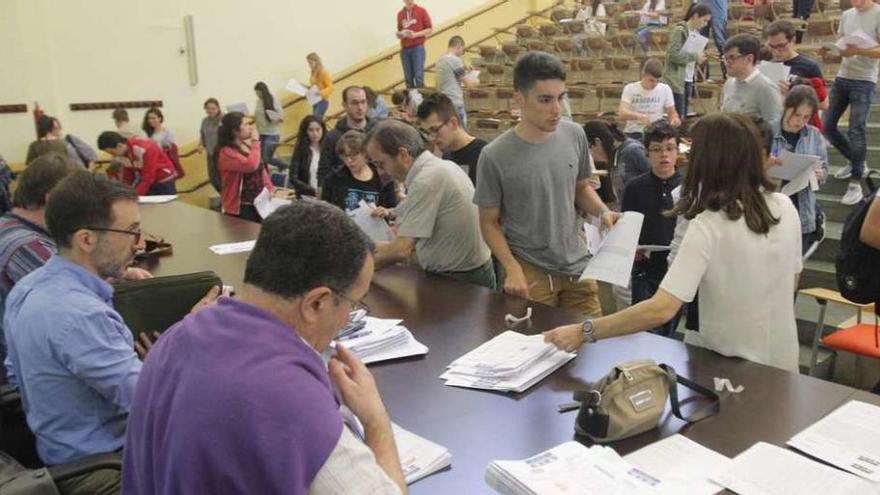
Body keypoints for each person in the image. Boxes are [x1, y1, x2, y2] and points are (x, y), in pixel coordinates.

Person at [122, 201, 406, 494]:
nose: (348, 318)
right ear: (315, 303)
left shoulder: (175, 337)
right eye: (353, 303)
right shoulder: (290, 397)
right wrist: (375, 420)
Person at [4, 172, 219, 494]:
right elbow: (154, 403)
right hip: (106, 468)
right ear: (86, 240)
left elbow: (15, 374)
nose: (141, 242)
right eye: (131, 231)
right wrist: (189, 330)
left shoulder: (29, 287)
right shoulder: (81, 315)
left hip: (58, 452)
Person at [544, 113, 803, 372]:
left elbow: (661, 309)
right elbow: (791, 281)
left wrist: (584, 330)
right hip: (783, 361)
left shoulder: (709, 224)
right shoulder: (785, 206)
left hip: (730, 367)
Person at [475, 51, 619, 317]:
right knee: (536, 351)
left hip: (577, 264)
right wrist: (511, 267)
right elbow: (488, 222)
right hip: (530, 271)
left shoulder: (575, 134)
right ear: (519, 98)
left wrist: (602, 211)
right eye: (545, 100)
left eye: (561, 97)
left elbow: (580, 187)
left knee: (592, 346)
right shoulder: (494, 155)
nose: (557, 109)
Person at [365, 120, 495, 289]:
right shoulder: (440, 167)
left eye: (380, 164)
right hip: (467, 273)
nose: (380, 171)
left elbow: (401, 250)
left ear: (403, 154)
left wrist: (359, 270)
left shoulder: (427, 180)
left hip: (460, 281)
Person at [0, 154, 79, 384]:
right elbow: (76, 302)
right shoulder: (29, 246)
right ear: (52, 198)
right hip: (23, 374)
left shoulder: (9, 224)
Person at [621, 122, 682, 337]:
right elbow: (626, 228)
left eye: (669, 148)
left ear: (677, 152)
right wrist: (632, 249)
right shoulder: (635, 187)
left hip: (678, 269)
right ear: (647, 153)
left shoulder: (689, 185)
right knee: (644, 331)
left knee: (672, 332)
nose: (663, 155)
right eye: (657, 149)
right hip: (645, 268)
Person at [823, 0, 880, 206]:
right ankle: (856, 160)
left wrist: (859, 51)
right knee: (827, 125)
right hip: (843, 75)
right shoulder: (847, 15)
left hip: (864, 79)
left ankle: (855, 182)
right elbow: (841, 43)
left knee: (857, 128)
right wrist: (833, 51)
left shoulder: (878, 13)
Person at [770, 85, 829, 255]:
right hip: (772, 206)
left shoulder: (814, 135)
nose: (800, 122)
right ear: (786, 107)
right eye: (796, 115)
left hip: (801, 209)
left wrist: (819, 174)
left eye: (806, 117)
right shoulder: (768, 131)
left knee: (796, 264)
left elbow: (824, 169)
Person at [765, 20, 828, 130]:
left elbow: (824, 104)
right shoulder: (769, 66)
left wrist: (793, 95)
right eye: (772, 46)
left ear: (792, 40)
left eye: (781, 46)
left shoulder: (809, 66)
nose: (776, 51)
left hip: (802, 126)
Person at [417, 93, 486, 184]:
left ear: (453, 123)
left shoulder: (484, 154)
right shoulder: (446, 157)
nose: (431, 138)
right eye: (427, 133)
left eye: (435, 130)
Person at [215, 112, 272, 222]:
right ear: (235, 131)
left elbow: (260, 166)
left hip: (258, 203)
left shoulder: (244, 145)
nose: (250, 127)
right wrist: (256, 141)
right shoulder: (226, 153)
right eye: (245, 125)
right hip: (241, 207)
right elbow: (251, 165)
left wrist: (269, 187)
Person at [322, 131, 397, 212]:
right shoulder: (333, 178)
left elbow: (393, 211)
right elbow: (325, 211)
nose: (349, 161)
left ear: (365, 153)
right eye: (345, 156)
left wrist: (386, 211)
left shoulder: (384, 178)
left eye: (353, 155)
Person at [721, 34, 783, 126]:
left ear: (749, 58)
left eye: (732, 58)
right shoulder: (729, 83)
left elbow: (773, 125)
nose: (727, 63)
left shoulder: (765, 87)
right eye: (725, 58)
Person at [663, 4, 712, 118]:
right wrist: (695, 57)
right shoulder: (679, 30)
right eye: (704, 20)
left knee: (683, 116)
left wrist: (699, 59)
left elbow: (691, 57)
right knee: (677, 116)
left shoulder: (697, 34)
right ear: (695, 16)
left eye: (707, 22)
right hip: (676, 78)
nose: (705, 24)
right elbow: (673, 55)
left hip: (688, 78)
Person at [318, 86, 374, 185]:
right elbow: (323, 173)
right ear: (345, 105)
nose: (360, 107)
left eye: (363, 102)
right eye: (354, 103)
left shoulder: (377, 131)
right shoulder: (332, 137)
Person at [97, 131, 178, 195]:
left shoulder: (145, 148)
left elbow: (148, 176)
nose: (113, 156)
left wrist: (134, 196)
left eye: (112, 152)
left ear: (119, 145)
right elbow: (128, 174)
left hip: (163, 179)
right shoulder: (122, 152)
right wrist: (126, 192)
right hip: (146, 180)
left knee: (165, 209)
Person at [619, 58, 680, 139]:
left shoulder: (665, 89)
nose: (654, 84)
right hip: (634, 132)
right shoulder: (630, 88)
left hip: (655, 133)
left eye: (657, 81)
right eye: (651, 80)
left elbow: (672, 113)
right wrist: (638, 116)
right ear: (643, 74)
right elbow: (622, 113)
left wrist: (674, 119)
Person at [26, 114, 97, 169]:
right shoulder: (63, 144)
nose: (57, 130)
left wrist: (88, 172)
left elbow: (90, 155)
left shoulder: (69, 140)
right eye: (54, 128)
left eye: (57, 127)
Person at [436, 36, 478, 127]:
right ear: (458, 46)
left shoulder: (440, 61)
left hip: (444, 102)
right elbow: (469, 85)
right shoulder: (455, 60)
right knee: (461, 134)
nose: (462, 53)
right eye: (462, 49)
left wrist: (465, 70)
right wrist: (476, 79)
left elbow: (452, 76)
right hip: (454, 102)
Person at [397, 0, 433, 88]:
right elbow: (400, 30)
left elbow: (429, 29)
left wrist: (415, 35)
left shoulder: (421, 11)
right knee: (408, 78)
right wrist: (400, 35)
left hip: (417, 47)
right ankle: (411, 100)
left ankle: (421, 99)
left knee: (418, 77)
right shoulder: (400, 14)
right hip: (405, 49)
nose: (409, 1)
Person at [288, 115, 325, 197]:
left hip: (326, 196)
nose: (315, 133)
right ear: (305, 132)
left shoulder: (328, 149)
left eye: (318, 129)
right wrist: (313, 191)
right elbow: (293, 178)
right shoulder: (300, 150)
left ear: (323, 130)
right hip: (307, 197)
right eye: (311, 130)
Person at [254, 81, 285, 170]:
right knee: (261, 159)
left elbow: (281, 116)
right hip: (262, 133)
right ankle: (265, 177)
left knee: (266, 157)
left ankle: (285, 166)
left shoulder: (273, 99)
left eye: (259, 92)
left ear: (263, 91)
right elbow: (258, 115)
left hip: (272, 134)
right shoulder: (258, 101)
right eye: (256, 93)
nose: (258, 95)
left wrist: (275, 117)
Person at [198, 98, 223, 193]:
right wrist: (201, 144)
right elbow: (202, 135)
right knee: (213, 178)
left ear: (218, 108)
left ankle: (227, 200)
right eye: (208, 108)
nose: (211, 110)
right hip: (210, 153)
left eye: (213, 108)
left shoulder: (224, 119)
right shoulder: (205, 121)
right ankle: (223, 196)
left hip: (222, 154)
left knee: (223, 178)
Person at [699, 0, 728, 80]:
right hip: (702, 8)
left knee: (721, 44)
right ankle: (702, 75)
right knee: (700, 44)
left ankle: (727, 74)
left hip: (718, 11)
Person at [308, 52, 334, 119]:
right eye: (308, 63)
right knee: (317, 121)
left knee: (316, 120)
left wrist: (320, 92)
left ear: (316, 61)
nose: (309, 65)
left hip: (323, 101)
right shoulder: (313, 73)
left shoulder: (323, 72)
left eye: (311, 63)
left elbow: (331, 87)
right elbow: (315, 86)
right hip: (315, 101)